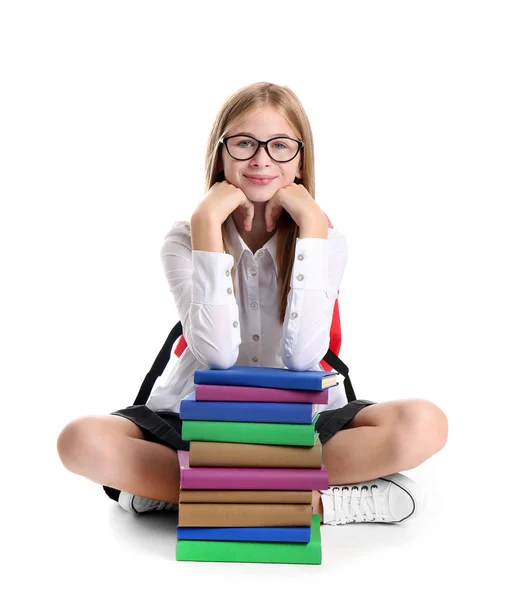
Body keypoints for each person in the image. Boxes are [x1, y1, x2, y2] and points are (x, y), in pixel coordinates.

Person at [57, 82, 448, 525]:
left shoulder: (327, 240)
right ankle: (314, 502)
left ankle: (185, 493)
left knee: (425, 423)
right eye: (244, 143)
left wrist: (313, 230)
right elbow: (217, 355)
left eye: (280, 146)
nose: (261, 159)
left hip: (301, 421)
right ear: (221, 154)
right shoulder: (184, 240)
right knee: (80, 440)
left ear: (301, 161)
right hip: (198, 418)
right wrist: (207, 224)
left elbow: (304, 358)